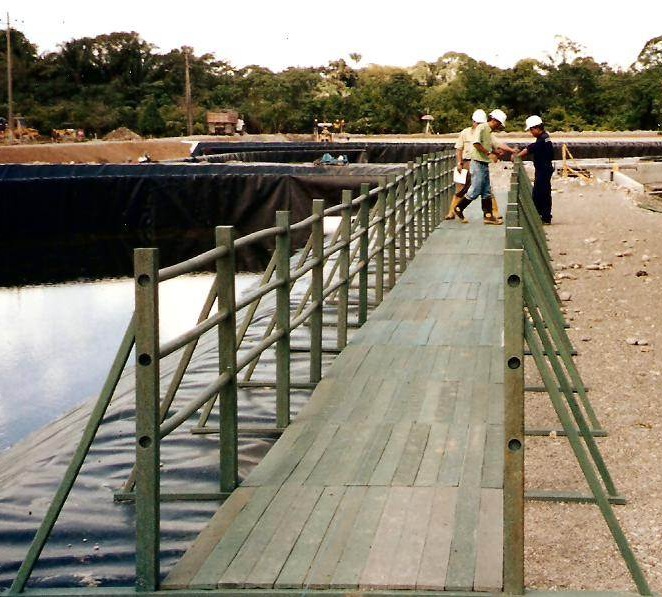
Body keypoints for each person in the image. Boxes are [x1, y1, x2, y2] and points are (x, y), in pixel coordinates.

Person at [454, 109, 517, 224]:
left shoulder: (488, 131)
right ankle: (459, 207)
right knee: (476, 188)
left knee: (486, 190)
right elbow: (476, 144)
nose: (499, 127)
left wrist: (500, 152)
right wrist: (489, 154)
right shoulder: (482, 128)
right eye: (499, 124)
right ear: (494, 121)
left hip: (483, 162)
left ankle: (488, 215)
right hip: (477, 162)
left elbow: (495, 144)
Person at [444, 109, 487, 220]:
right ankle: (451, 212)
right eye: (477, 123)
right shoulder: (465, 132)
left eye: (481, 124)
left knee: (485, 189)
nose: (478, 125)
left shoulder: (485, 134)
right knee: (460, 189)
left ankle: (493, 213)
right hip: (466, 162)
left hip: (479, 163)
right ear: (473, 122)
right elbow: (459, 149)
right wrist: (459, 163)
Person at [516, 115, 554, 224]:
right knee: (539, 192)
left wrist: (518, 155)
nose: (531, 132)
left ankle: (545, 216)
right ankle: (540, 215)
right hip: (543, 169)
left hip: (544, 169)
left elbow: (531, 148)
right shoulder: (545, 137)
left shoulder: (543, 139)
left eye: (531, 130)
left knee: (541, 193)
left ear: (537, 128)